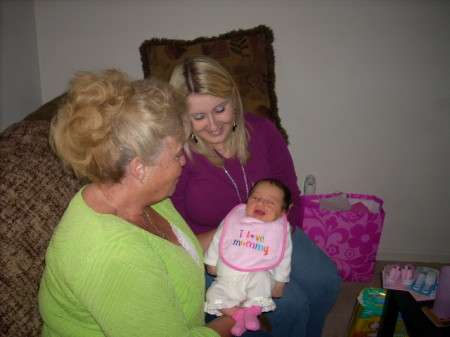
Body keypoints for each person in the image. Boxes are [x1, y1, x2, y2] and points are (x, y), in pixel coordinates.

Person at [38, 69, 239, 337]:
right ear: (140, 168)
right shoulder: (113, 254)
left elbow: (177, 252)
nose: (183, 163)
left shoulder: (144, 198)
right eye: (177, 154)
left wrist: (233, 230)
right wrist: (236, 319)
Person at [170, 55, 341, 337]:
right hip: (215, 250)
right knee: (289, 305)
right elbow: (176, 236)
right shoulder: (178, 155)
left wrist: (278, 234)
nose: (212, 125)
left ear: (233, 98)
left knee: (325, 281)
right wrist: (234, 230)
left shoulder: (261, 131)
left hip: (277, 231)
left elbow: (291, 193)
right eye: (198, 117)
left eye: (220, 109)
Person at [204, 178, 293, 336]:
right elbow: (218, 239)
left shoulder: (278, 230)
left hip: (257, 275)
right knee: (212, 295)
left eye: (270, 202)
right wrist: (211, 261)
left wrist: (280, 282)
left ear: (282, 212)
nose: (261, 203)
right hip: (226, 278)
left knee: (262, 279)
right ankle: (239, 316)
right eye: (256, 198)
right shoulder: (235, 219)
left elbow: (285, 257)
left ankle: (251, 311)